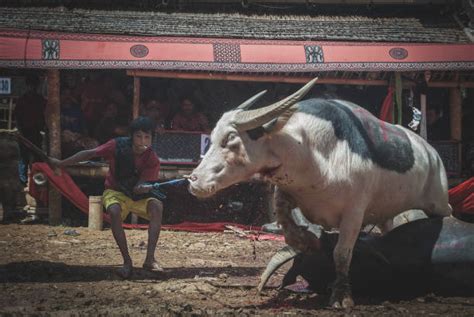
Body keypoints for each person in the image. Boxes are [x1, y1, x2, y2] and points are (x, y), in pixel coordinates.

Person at [49, 117, 164, 278]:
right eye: (138, 136)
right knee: (114, 211)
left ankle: (150, 259)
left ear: (152, 139)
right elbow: (89, 153)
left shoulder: (152, 159)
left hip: (137, 195)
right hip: (115, 191)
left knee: (156, 206)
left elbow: (142, 183)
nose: (142, 141)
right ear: (132, 136)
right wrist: (61, 163)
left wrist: (142, 187)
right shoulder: (116, 145)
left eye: (147, 137)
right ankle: (126, 262)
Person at [14, 75, 47, 183]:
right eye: (30, 86)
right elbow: (17, 118)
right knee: (24, 156)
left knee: (37, 156)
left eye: (33, 86)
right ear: (27, 86)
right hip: (25, 131)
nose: (32, 88)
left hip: (36, 131)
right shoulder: (22, 100)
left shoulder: (40, 100)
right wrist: (20, 132)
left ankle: (36, 179)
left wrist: (43, 129)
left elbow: (45, 116)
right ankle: (23, 180)